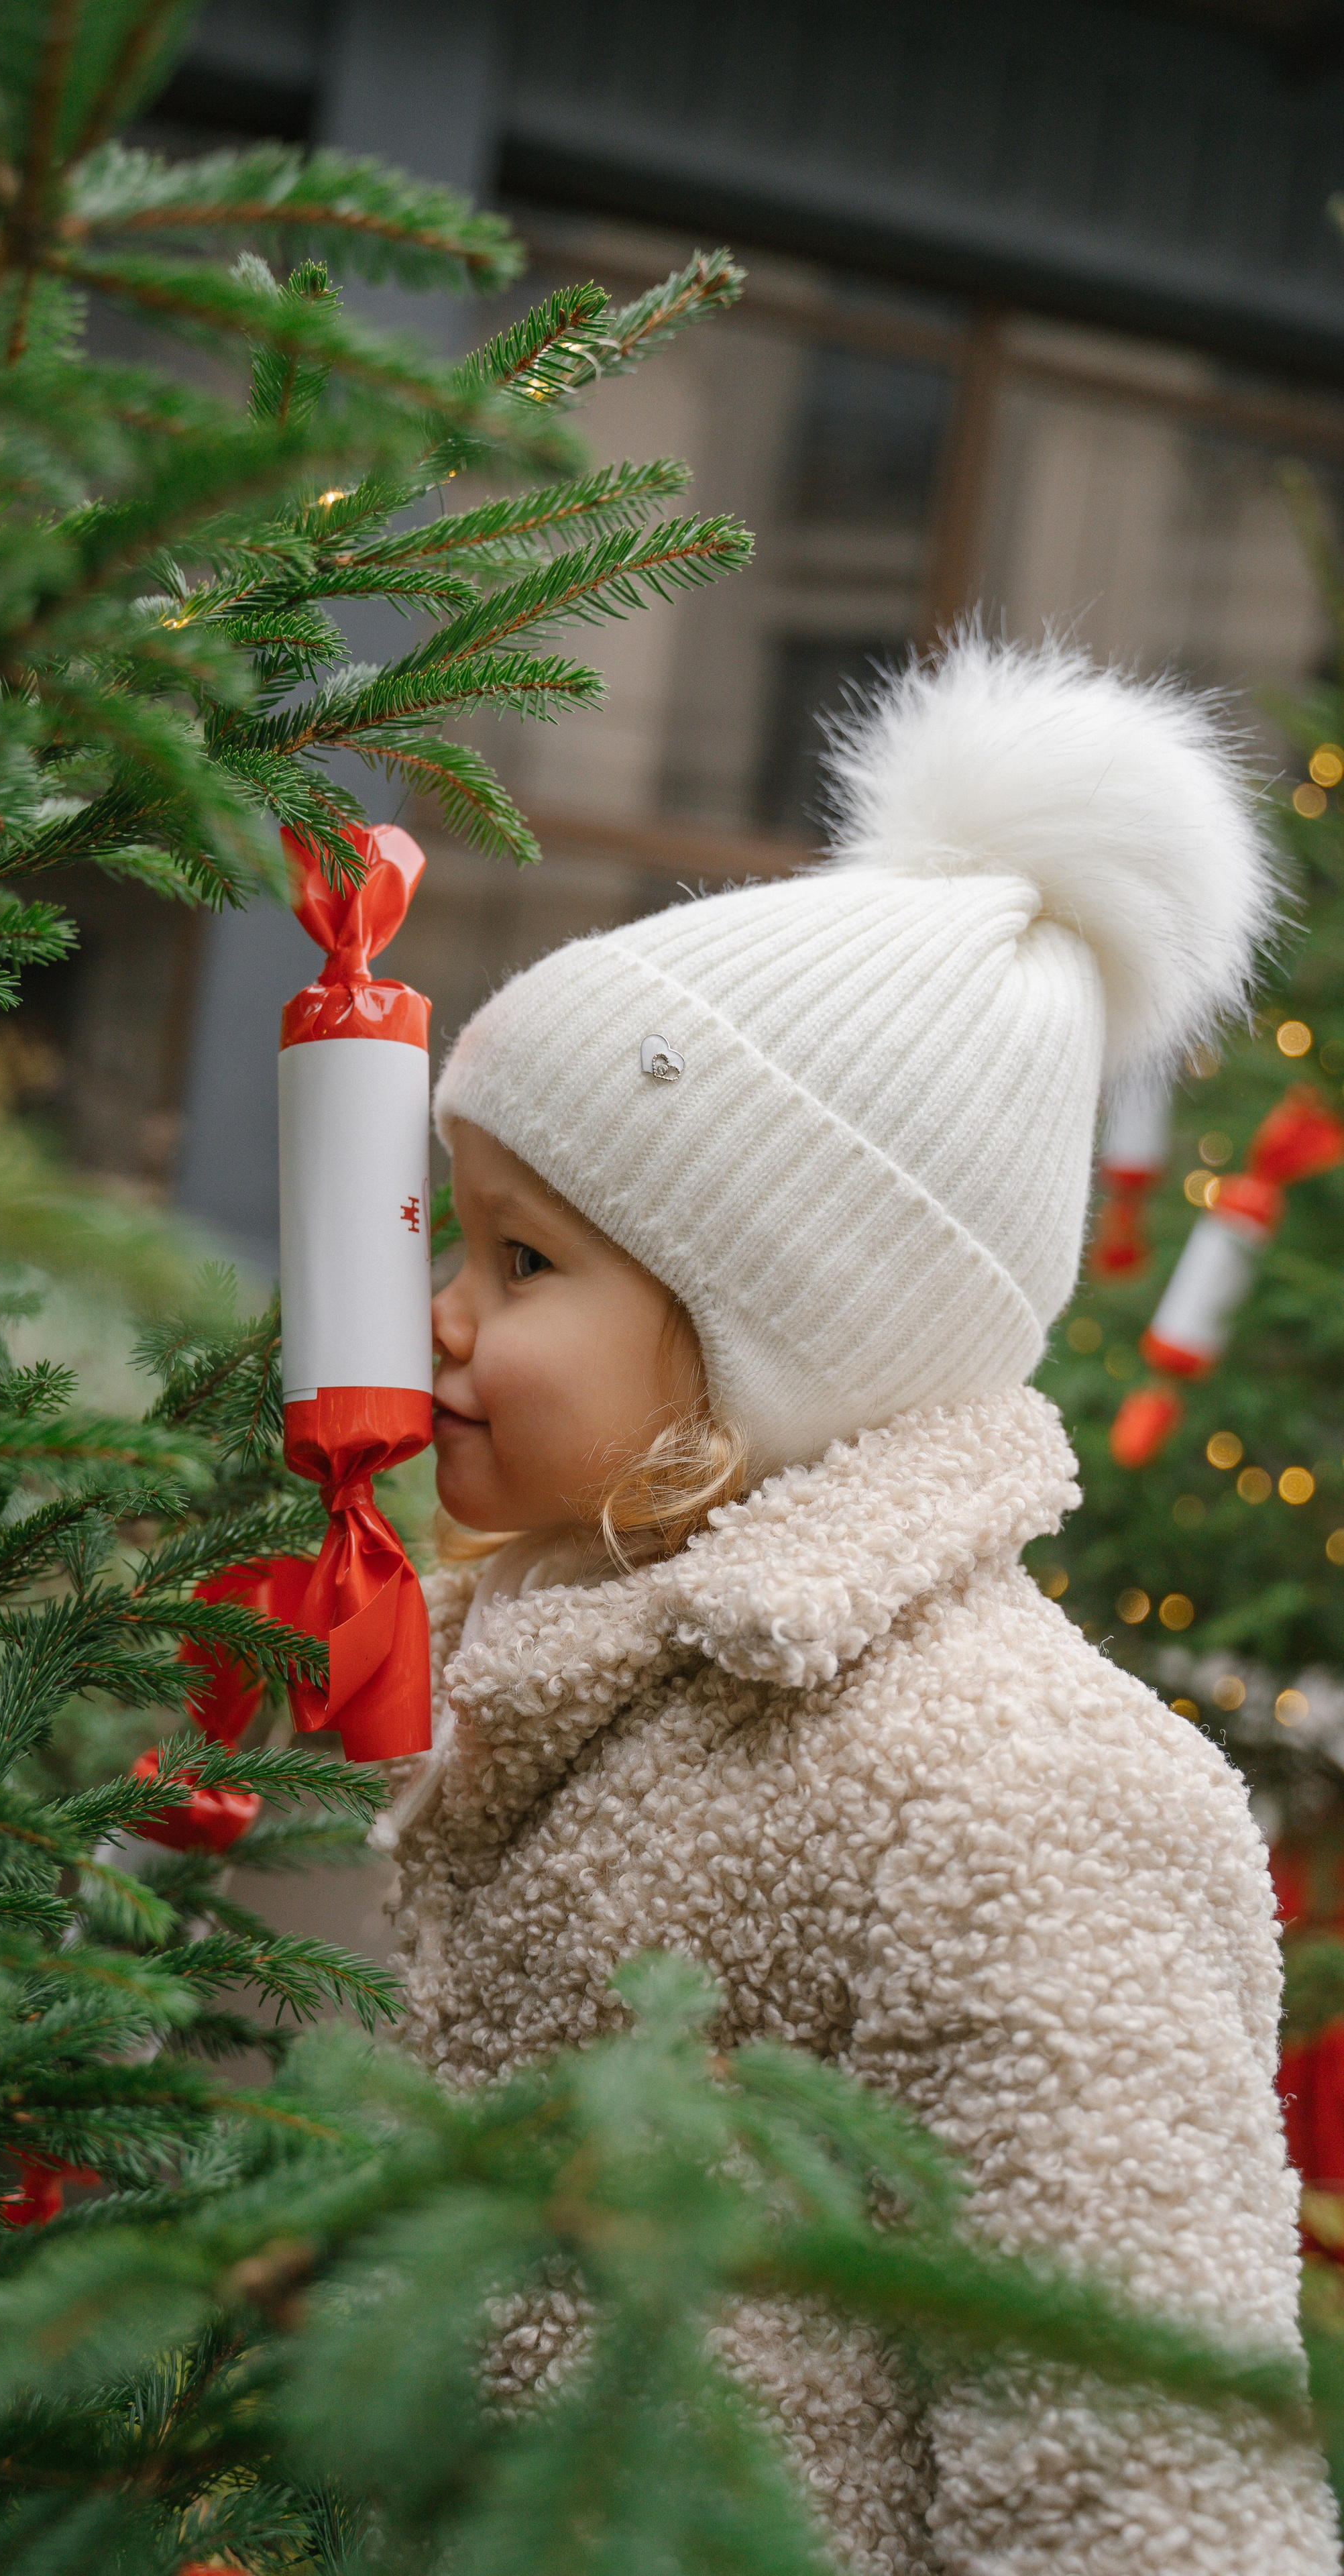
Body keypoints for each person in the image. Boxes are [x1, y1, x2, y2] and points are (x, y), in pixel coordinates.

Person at [374, 635, 1340, 2573]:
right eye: (449, 1229)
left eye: (528, 1257)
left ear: (781, 1342)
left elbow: (1145, 2477)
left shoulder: (1009, 1793)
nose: (443, 1314)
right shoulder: (539, 1655)